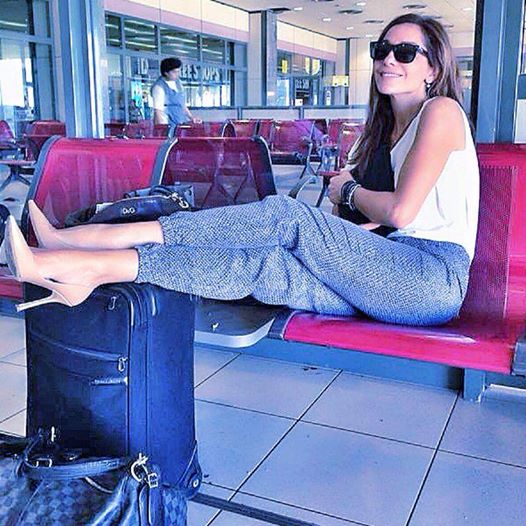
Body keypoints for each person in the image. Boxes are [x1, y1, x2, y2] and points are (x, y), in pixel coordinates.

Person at [4, 13, 479, 326]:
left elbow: (401, 212)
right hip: (390, 270)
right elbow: (386, 224)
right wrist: (347, 212)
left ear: (433, 68)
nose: (388, 59)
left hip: (430, 278)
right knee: (265, 266)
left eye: (405, 52)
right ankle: (85, 268)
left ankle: (88, 237)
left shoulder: (440, 112)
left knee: (288, 216)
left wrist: (348, 190)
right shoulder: (384, 131)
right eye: (381, 49)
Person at [151, 57, 198, 128]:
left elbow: (182, 105)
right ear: (166, 73)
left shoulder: (178, 83)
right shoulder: (159, 87)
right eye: (174, 72)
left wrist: (191, 118)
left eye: (178, 71)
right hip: (168, 124)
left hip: (180, 123)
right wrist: (162, 129)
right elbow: (158, 111)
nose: (177, 74)